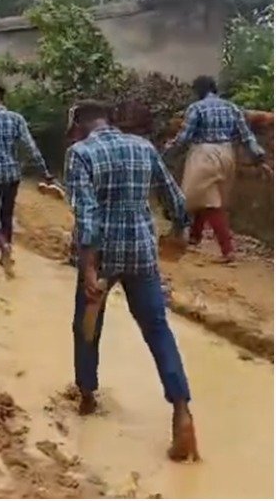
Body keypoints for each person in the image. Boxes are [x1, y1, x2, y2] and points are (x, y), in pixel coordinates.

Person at [65, 99, 198, 462]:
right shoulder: (143, 147)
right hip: (142, 252)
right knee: (157, 329)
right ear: (108, 120)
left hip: (103, 256)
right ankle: (182, 410)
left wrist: (88, 269)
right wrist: (179, 228)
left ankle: (87, 395)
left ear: (79, 126)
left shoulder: (80, 153)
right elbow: (174, 197)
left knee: (87, 326)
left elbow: (87, 215)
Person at [164, 75, 271, 262]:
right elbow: (246, 136)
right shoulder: (232, 108)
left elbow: (184, 138)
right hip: (227, 153)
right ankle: (195, 237)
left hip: (204, 154)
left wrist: (166, 152)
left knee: (204, 200)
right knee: (206, 195)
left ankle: (227, 250)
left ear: (199, 91)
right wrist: (259, 156)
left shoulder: (196, 108)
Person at [0, 83, 54, 273]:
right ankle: (6, 253)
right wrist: (44, 171)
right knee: (6, 215)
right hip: (12, 175)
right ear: (3, 98)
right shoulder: (16, 119)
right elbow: (30, 146)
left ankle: (3, 245)